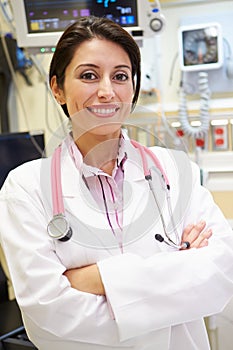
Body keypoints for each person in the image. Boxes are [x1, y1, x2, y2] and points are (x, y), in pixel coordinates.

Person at [0, 16, 233, 350]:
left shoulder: (174, 168)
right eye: (89, 75)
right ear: (57, 88)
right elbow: (48, 316)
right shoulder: (25, 189)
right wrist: (176, 279)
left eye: (121, 76)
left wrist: (96, 280)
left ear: (133, 87)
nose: (107, 91)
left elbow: (221, 274)